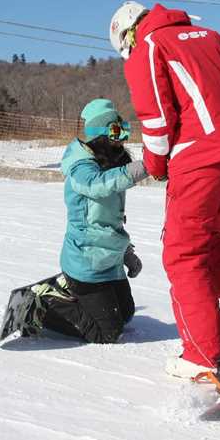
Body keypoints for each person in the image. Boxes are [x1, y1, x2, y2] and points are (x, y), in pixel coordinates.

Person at [109, 1, 220, 390]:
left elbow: (156, 119)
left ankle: (201, 355)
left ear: (128, 34)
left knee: (182, 251)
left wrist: (156, 164)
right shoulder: (212, 36)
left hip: (197, 155)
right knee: (206, 240)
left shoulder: (150, 48)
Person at [25, 98, 149, 343]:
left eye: (124, 129)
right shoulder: (82, 168)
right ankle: (43, 303)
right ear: (99, 134)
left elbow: (109, 222)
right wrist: (145, 167)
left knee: (125, 315)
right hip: (86, 261)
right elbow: (95, 186)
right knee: (107, 333)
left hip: (108, 259)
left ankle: (69, 292)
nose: (122, 138)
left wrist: (127, 255)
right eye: (115, 131)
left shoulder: (109, 163)